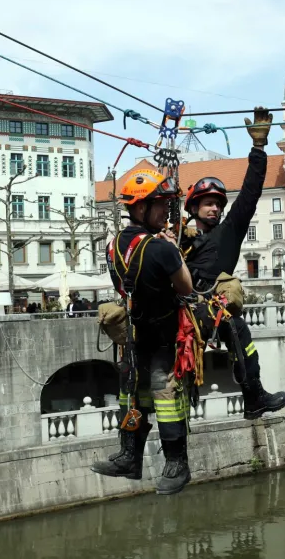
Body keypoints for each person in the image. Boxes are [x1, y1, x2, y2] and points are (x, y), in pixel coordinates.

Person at [179, 107, 285, 421]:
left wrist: (258, 149)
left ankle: (253, 395)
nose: (214, 208)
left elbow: (251, 194)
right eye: (208, 203)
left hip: (207, 309)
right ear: (194, 206)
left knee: (237, 327)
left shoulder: (227, 234)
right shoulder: (177, 237)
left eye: (217, 204)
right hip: (180, 308)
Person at [91, 168, 195, 495]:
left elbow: (121, 286)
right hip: (163, 336)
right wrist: (174, 254)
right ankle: (176, 463)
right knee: (165, 399)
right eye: (160, 204)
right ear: (140, 208)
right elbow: (187, 288)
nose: (166, 210)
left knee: (131, 396)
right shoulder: (162, 249)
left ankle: (129, 456)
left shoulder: (112, 247)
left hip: (134, 340)